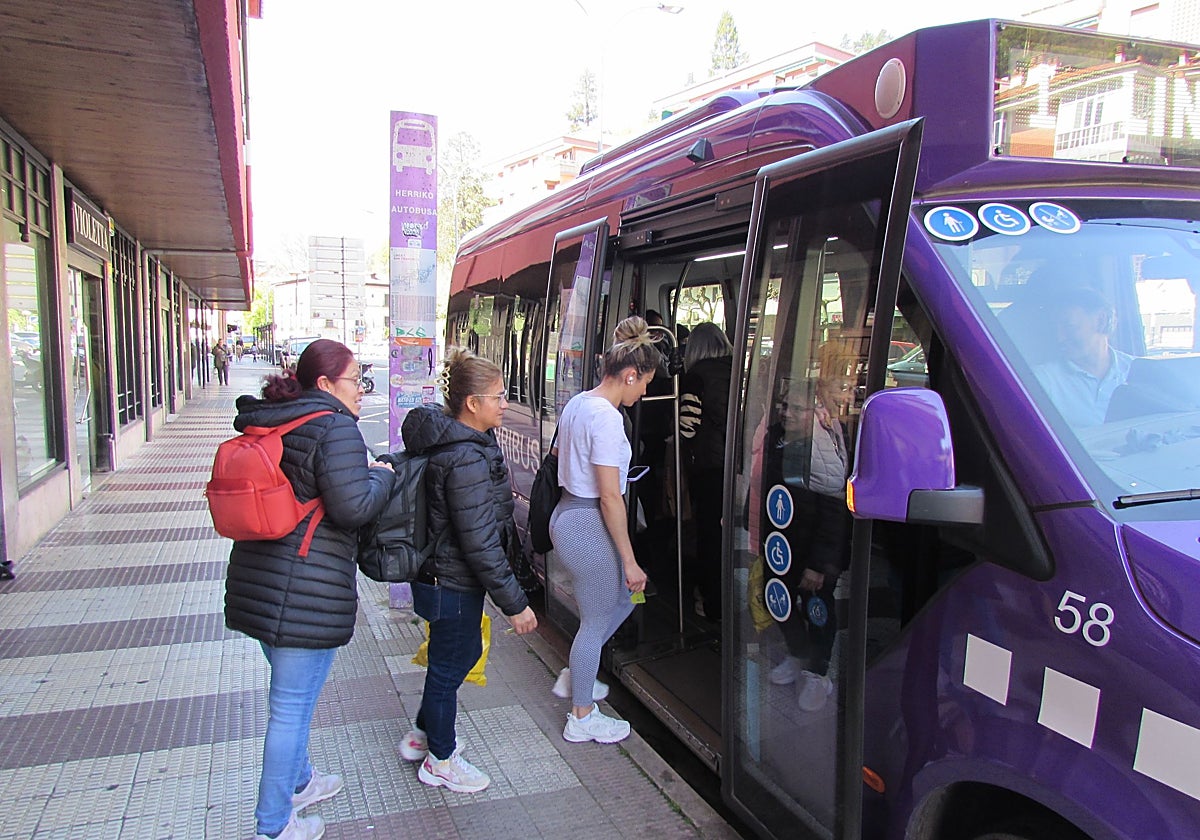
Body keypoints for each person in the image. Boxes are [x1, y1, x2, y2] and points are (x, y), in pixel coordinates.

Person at [225, 339, 395, 840]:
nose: (363, 391)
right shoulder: (335, 427)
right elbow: (354, 508)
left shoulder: (277, 417)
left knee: (290, 701)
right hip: (303, 591)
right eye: (355, 382)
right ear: (325, 385)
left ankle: (299, 782)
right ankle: (273, 827)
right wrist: (380, 476)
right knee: (290, 710)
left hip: (259, 579)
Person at [398, 348, 538, 793]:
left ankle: (424, 734)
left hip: (443, 577)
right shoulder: (464, 458)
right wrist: (516, 604)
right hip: (451, 581)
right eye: (498, 396)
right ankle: (440, 759)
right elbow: (479, 542)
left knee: (451, 661)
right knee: (449, 665)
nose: (505, 404)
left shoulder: (466, 445)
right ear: (472, 404)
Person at [550, 315, 656, 744]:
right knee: (598, 619)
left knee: (629, 597)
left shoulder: (579, 403)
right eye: (644, 382)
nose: (645, 391)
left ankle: (578, 672)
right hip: (588, 521)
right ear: (629, 374)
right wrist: (629, 559)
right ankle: (582, 716)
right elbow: (612, 497)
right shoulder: (609, 419)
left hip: (567, 515)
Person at [765, 343, 855, 713]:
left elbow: (835, 514)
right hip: (783, 541)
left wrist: (820, 564)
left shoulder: (821, 448)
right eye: (784, 405)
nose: (786, 413)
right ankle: (797, 655)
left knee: (817, 608)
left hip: (816, 549)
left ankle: (817, 672)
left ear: (813, 409)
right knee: (781, 603)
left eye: (795, 408)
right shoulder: (778, 437)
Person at [678, 322, 733, 622]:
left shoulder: (696, 377)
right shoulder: (738, 369)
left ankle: (711, 603)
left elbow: (688, 427)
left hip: (709, 467)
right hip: (736, 466)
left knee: (709, 535)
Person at [1034, 287, 1131, 428]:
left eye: (1069, 327)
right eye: (1054, 328)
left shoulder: (1139, 371)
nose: (1059, 338)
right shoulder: (1042, 380)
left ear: (1101, 320)